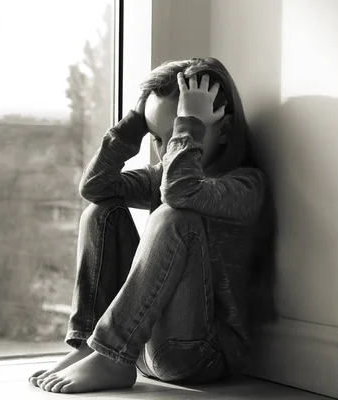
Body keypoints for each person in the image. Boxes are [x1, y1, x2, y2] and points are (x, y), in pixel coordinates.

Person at [29, 57, 275, 394]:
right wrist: (133, 122)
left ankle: (110, 354)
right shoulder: (168, 176)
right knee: (101, 212)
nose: (163, 151)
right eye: (157, 138)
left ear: (225, 131)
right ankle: (94, 346)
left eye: (177, 134)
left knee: (174, 216)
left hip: (197, 355)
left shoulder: (246, 186)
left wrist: (187, 123)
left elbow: (180, 191)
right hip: (141, 348)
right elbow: (95, 188)